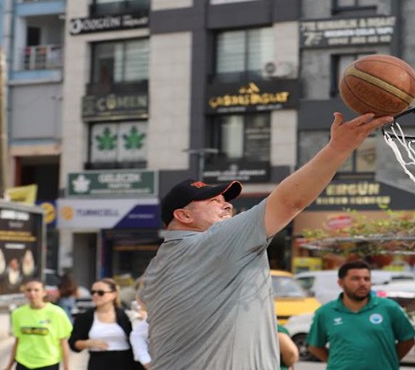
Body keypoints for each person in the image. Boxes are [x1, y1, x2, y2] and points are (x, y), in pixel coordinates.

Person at [140, 112, 392, 369]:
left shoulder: (156, 269)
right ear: (183, 215)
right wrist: (339, 147)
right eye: (213, 201)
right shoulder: (213, 243)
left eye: (224, 199)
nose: (226, 205)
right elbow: (288, 201)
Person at [306, 260, 415, 369]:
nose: (363, 283)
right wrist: (337, 364)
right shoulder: (325, 312)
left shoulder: (389, 308)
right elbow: (315, 346)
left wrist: (388, 361)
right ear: (341, 283)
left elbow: (408, 340)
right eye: (356, 279)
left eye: (366, 279)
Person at [69, 277, 142, 369]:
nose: (95, 295)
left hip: (125, 362)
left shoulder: (126, 316)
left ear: (114, 294)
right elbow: (73, 343)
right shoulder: (85, 317)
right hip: (98, 362)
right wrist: (88, 343)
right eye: (93, 292)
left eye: (100, 293)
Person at [5, 278, 72, 370]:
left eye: (36, 290)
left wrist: (66, 368)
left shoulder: (57, 313)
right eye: (28, 290)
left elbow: (63, 343)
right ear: (24, 293)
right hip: (23, 363)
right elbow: (17, 341)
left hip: (48, 363)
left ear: (44, 292)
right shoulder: (17, 314)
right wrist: (9, 366)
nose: (32, 293)